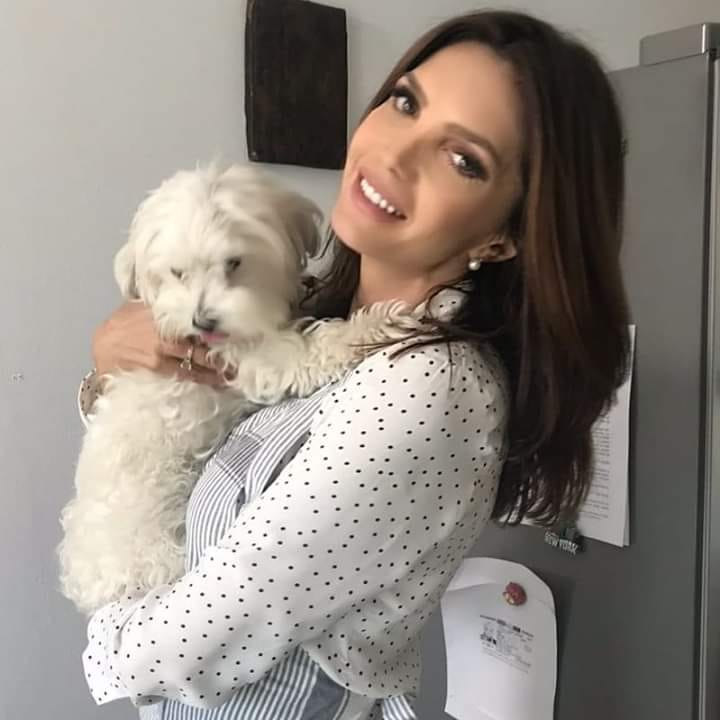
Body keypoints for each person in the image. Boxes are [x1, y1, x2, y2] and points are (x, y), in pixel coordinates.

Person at [78, 9, 630, 720]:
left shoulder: (430, 386)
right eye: (405, 102)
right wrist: (106, 372)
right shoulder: (320, 322)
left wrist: (106, 645)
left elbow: (221, 621)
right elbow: (187, 440)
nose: (396, 156)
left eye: (463, 160)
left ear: (502, 237)